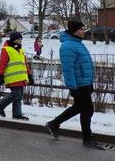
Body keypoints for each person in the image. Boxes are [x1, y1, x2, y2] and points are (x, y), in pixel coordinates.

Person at [45, 20, 106, 150]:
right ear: (74, 31)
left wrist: (90, 82)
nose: (84, 32)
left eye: (84, 29)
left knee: (79, 107)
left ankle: (53, 124)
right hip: (79, 84)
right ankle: (87, 139)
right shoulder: (68, 46)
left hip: (85, 83)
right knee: (87, 109)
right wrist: (72, 87)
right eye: (81, 29)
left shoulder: (77, 43)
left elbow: (84, 64)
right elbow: (68, 69)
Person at [0, 31, 33, 120]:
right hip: (12, 78)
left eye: (21, 39)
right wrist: (0, 75)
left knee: (19, 96)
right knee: (16, 94)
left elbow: (25, 64)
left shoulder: (21, 50)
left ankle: (17, 114)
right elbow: (2, 64)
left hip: (21, 77)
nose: (20, 41)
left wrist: (29, 75)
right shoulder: (6, 49)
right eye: (18, 39)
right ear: (14, 40)